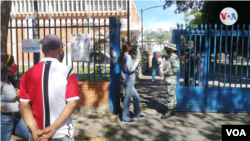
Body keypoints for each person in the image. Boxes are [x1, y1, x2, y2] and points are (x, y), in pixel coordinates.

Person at [19, 35, 80, 141]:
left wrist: (35, 130)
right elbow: (72, 103)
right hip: (61, 132)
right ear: (60, 49)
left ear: (43, 50)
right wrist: (53, 127)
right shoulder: (68, 72)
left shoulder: (27, 74)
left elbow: (24, 105)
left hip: (37, 135)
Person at [111, 42, 144, 124]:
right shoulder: (128, 57)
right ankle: (125, 118)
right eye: (131, 47)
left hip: (126, 80)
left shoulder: (121, 56)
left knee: (136, 96)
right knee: (127, 99)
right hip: (129, 81)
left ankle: (137, 114)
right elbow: (131, 69)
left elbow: (114, 62)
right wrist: (137, 61)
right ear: (128, 48)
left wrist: (114, 55)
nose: (132, 48)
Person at [0, 53, 29, 141]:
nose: (15, 66)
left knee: (30, 135)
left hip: (17, 118)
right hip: (5, 119)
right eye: (13, 64)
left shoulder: (9, 80)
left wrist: (18, 96)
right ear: (7, 67)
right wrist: (2, 111)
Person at [160, 43, 180, 119]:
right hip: (169, 80)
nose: (166, 50)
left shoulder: (174, 57)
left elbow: (176, 69)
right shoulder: (171, 57)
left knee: (170, 96)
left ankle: (169, 111)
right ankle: (173, 110)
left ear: (171, 49)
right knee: (172, 95)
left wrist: (164, 72)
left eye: (167, 49)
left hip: (171, 80)